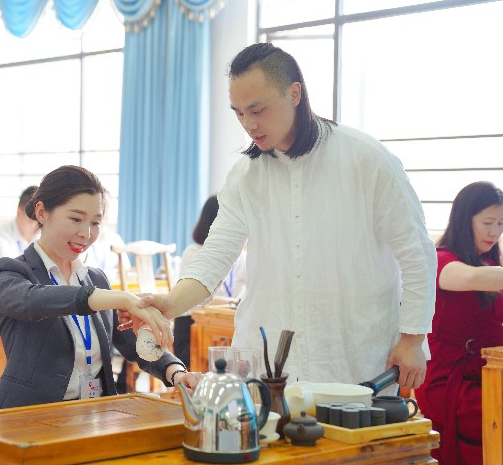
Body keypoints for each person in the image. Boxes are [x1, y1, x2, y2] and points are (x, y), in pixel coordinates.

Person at [127, 43, 436, 389]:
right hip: (268, 362)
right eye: (239, 113)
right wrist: (170, 303)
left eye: (257, 110)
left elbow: (417, 252)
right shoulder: (246, 175)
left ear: (294, 94)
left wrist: (412, 338)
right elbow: (215, 256)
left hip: (354, 358)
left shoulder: (366, 159)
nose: (249, 124)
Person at [0, 165, 199, 409]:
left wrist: (176, 372)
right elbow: (33, 300)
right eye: (76, 219)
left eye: (95, 223)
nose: (86, 234)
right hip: (28, 417)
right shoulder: (10, 272)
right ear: (42, 212)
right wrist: (123, 299)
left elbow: (133, 343)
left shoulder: (96, 280)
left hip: (93, 415)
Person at [414, 181, 503, 464]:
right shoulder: (442, 260)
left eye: (501, 222)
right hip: (450, 381)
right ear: (465, 219)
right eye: (487, 222)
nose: (495, 231)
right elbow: (471, 278)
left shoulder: (492, 266)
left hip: (491, 376)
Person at [173, 195, 246, 369]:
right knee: (224, 361)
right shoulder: (193, 253)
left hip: (226, 326)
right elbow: (197, 300)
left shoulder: (241, 257)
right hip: (192, 327)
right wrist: (234, 302)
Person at [0, 185, 39, 365]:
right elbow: (12, 280)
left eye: (40, 221)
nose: (36, 226)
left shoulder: (39, 238)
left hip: (24, 305)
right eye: (32, 219)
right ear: (19, 212)